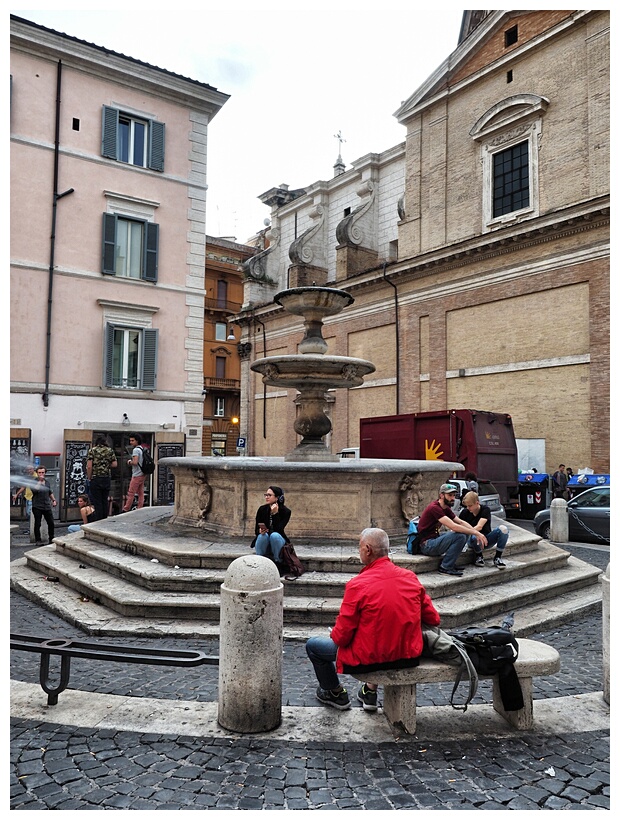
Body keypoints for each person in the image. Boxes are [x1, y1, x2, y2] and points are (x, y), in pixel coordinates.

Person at [306, 527, 441, 711]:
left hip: (369, 659)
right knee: (379, 634)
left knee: (313, 646)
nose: (359, 551)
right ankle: (369, 691)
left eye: (359, 547)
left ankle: (335, 693)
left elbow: (342, 638)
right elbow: (433, 619)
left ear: (368, 550)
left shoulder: (357, 585)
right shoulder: (410, 577)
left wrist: (335, 634)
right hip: (407, 655)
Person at [416, 483, 487, 577]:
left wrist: (477, 533)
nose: (453, 498)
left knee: (464, 533)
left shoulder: (445, 508)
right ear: (441, 495)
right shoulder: (434, 508)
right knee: (460, 535)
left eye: (454, 495)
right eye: (450, 495)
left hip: (434, 539)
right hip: (426, 545)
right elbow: (453, 526)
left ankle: (450, 563)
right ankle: (445, 566)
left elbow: (460, 522)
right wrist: (475, 532)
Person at [459, 491, 508, 569]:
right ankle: (479, 556)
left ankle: (498, 557)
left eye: (470, 506)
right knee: (475, 536)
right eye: (467, 506)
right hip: (472, 539)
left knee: (504, 529)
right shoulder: (465, 512)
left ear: (477, 503)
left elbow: (479, 526)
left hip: (486, 538)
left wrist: (475, 532)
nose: (468, 508)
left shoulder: (485, 510)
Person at [253, 486, 291, 572]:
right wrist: (260, 531)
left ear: (277, 498)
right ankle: (259, 562)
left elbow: (279, 529)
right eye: (266, 495)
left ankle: (278, 562)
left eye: (269, 495)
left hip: (277, 541)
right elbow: (256, 530)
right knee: (262, 536)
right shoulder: (262, 509)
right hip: (264, 540)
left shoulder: (286, 511)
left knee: (274, 535)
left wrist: (275, 514)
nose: (266, 497)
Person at [86, 435, 118, 520]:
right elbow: (115, 464)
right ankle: (104, 518)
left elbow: (89, 466)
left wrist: (89, 478)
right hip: (106, 478)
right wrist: (106, 465)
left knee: (97, 501)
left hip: (96, 478)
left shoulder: (92, 451)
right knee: (104, 499)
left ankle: (99, 520)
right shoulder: (110, 450)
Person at [31, 466, 57, 546]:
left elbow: (50, 492)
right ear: (37, 473)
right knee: (38, 523)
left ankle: (51, 538)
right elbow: (35, 491)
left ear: (45, 473)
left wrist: (54, 500)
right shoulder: (34, 482)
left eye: (42, 472)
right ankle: (38, 540)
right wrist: (39, 482)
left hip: (46, 505)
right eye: (39, 473)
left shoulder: (47, 482)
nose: (41, 474)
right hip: (37, 506)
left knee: (51, 523)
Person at [122, 434, 146, 512]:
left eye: (132, 440)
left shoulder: (136, 450)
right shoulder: (141, 449)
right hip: (142, 473)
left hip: (136, 474)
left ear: (137, 441)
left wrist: (129, 462)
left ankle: (126, 508)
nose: (131, 442)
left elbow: (135, 462)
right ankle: (140, 507)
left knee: (131, 492)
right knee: (140, 492)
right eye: (130, 440)